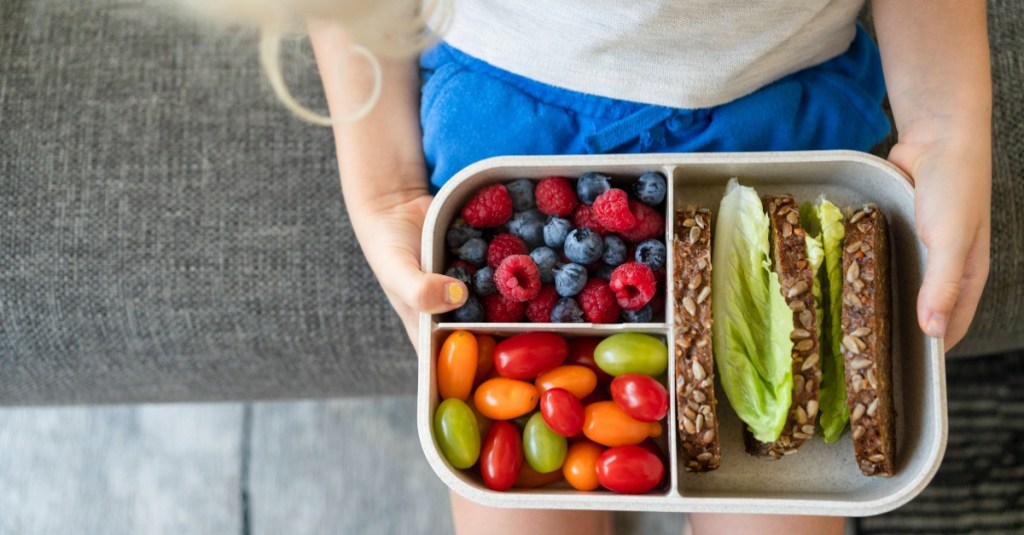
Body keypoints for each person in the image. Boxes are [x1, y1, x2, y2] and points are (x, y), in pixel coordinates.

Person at [234, 0, 991, 533]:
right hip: (505, 110)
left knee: (786, 494)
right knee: (511, 496)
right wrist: (386, 188)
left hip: (782, 105)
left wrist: (944, 127)